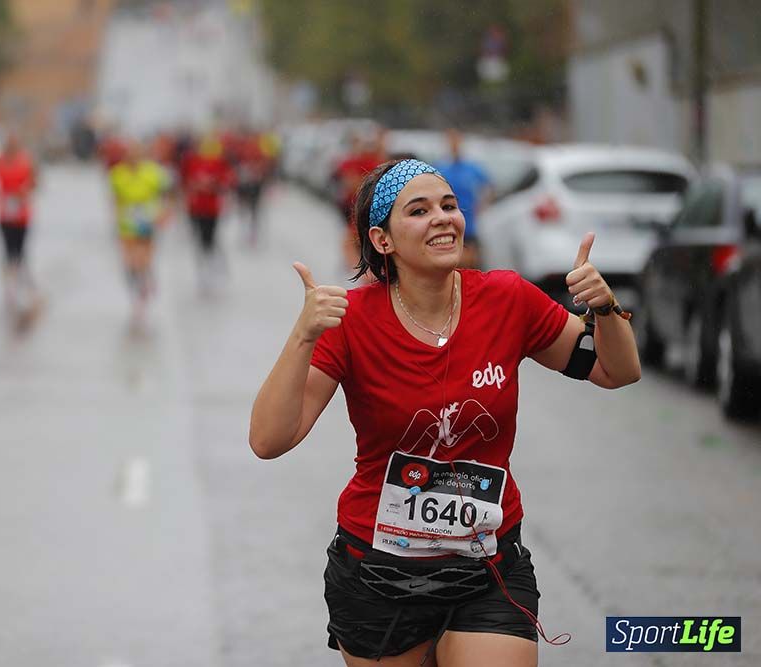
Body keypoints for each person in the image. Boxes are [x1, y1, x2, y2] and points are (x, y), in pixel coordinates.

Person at [249, 158, 640, 666]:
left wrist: (605, 309)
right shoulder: (352, 321)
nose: (442, 218)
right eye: (419, 210)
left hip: (489, 568)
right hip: (379, 573)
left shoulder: (506, 299)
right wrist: (303, 336)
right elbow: (269, 440)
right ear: (382, 239)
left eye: (449, 206)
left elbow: (616, 370)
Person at [108, 140, 171, 329]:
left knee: (143, 259)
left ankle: (145, 283)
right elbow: (114, 198)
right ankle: (135, 293)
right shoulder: (117, 173)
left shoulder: (153, 172)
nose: (133, 158)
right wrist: (115, 217)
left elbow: (166, 194)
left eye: (137, 154)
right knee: (129, 262)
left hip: (147, 222)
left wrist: (164, 214)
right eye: (130, 154)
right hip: (126, 224)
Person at [0, 131, 39, 315]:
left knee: (21, 251)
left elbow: (35, 182)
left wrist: (24, 190)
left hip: (22, 214)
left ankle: (22, 285)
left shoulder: (26, 160)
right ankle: (10, 288)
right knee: (8, 252)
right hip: (5, 215)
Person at [180, 134, 235, 291]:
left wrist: (212, 184)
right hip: (196, 207)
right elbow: (184, 181)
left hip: (212, 208)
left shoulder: (219, 162)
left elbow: (227, 181)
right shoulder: (191, 161)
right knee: (199, 238)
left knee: (210, 237)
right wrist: (195, 185)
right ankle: (203, 268)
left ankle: (210, 267)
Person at [436, 129, 492, 269]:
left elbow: (488, 186)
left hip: (469, 220)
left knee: (470, 257)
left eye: (456, 142)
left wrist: (482, 205)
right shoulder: (441, 167)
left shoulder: (471, 167)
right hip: (448, 219)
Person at [332, 133, 384, 275]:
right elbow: (347, 182)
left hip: (364, 206)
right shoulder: (350, 162)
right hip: (352, 205)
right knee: (355, 237)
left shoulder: (375, 162)